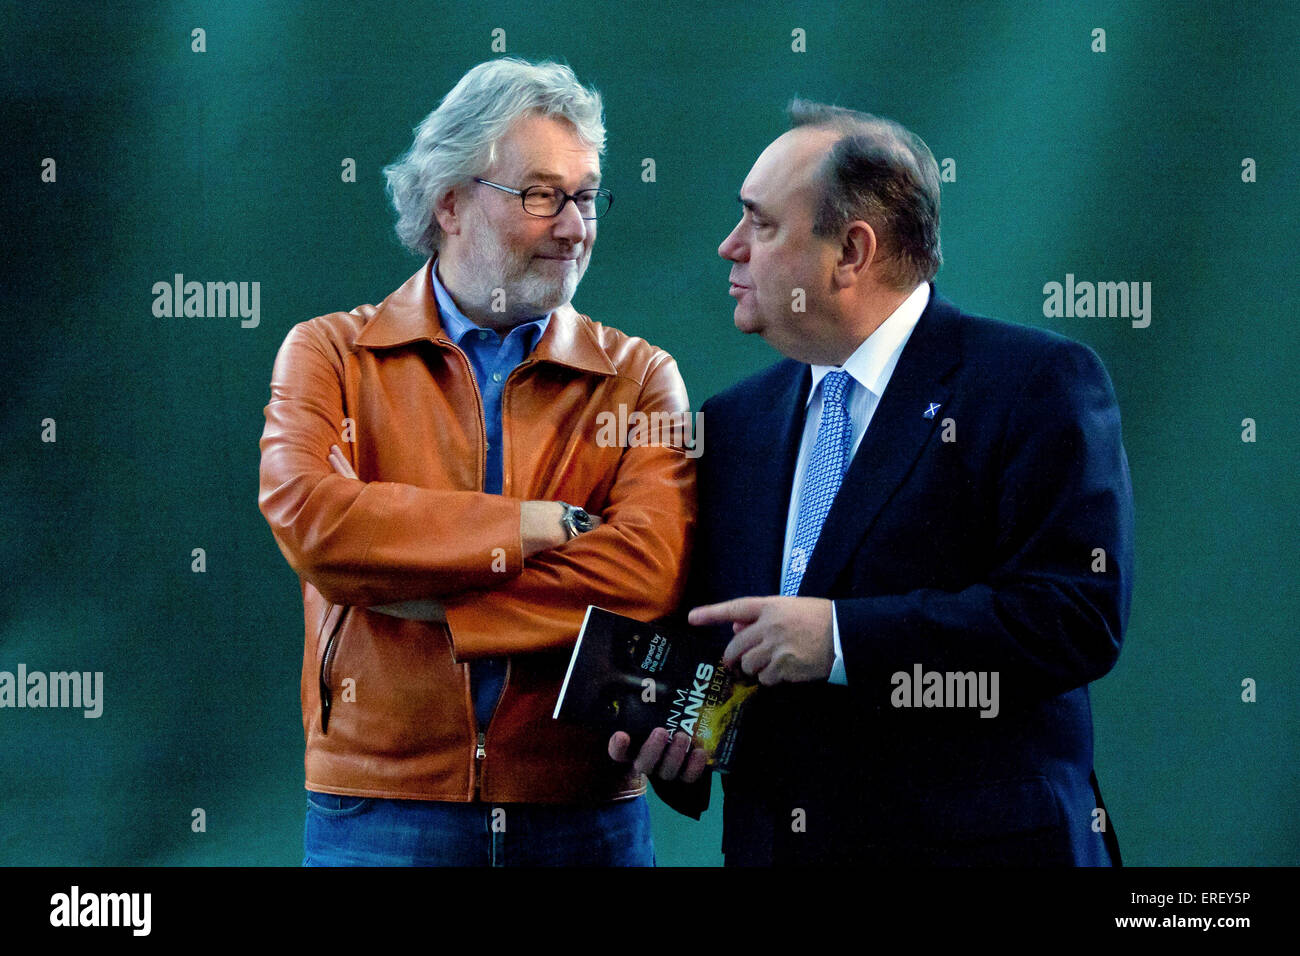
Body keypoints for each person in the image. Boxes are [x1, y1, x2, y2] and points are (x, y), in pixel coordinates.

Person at [612, 100, 1133, 866]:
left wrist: (841, 639)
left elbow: (1074, 616)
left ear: (851, 252)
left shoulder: (1032, 384)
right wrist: (685, 741)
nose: (729, 248)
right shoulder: (731, 426)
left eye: (760, 225)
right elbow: (729, 654)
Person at [258, 57, 696, 866]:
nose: (574, 226)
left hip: (584, 807)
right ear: (449, 201)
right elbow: (315, 526)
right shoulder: (327, 354)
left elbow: (646, 574)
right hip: (378, 807)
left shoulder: (641, 376)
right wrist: (537, 526)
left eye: (587, 196)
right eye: (540, 195)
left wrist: (436, 603)